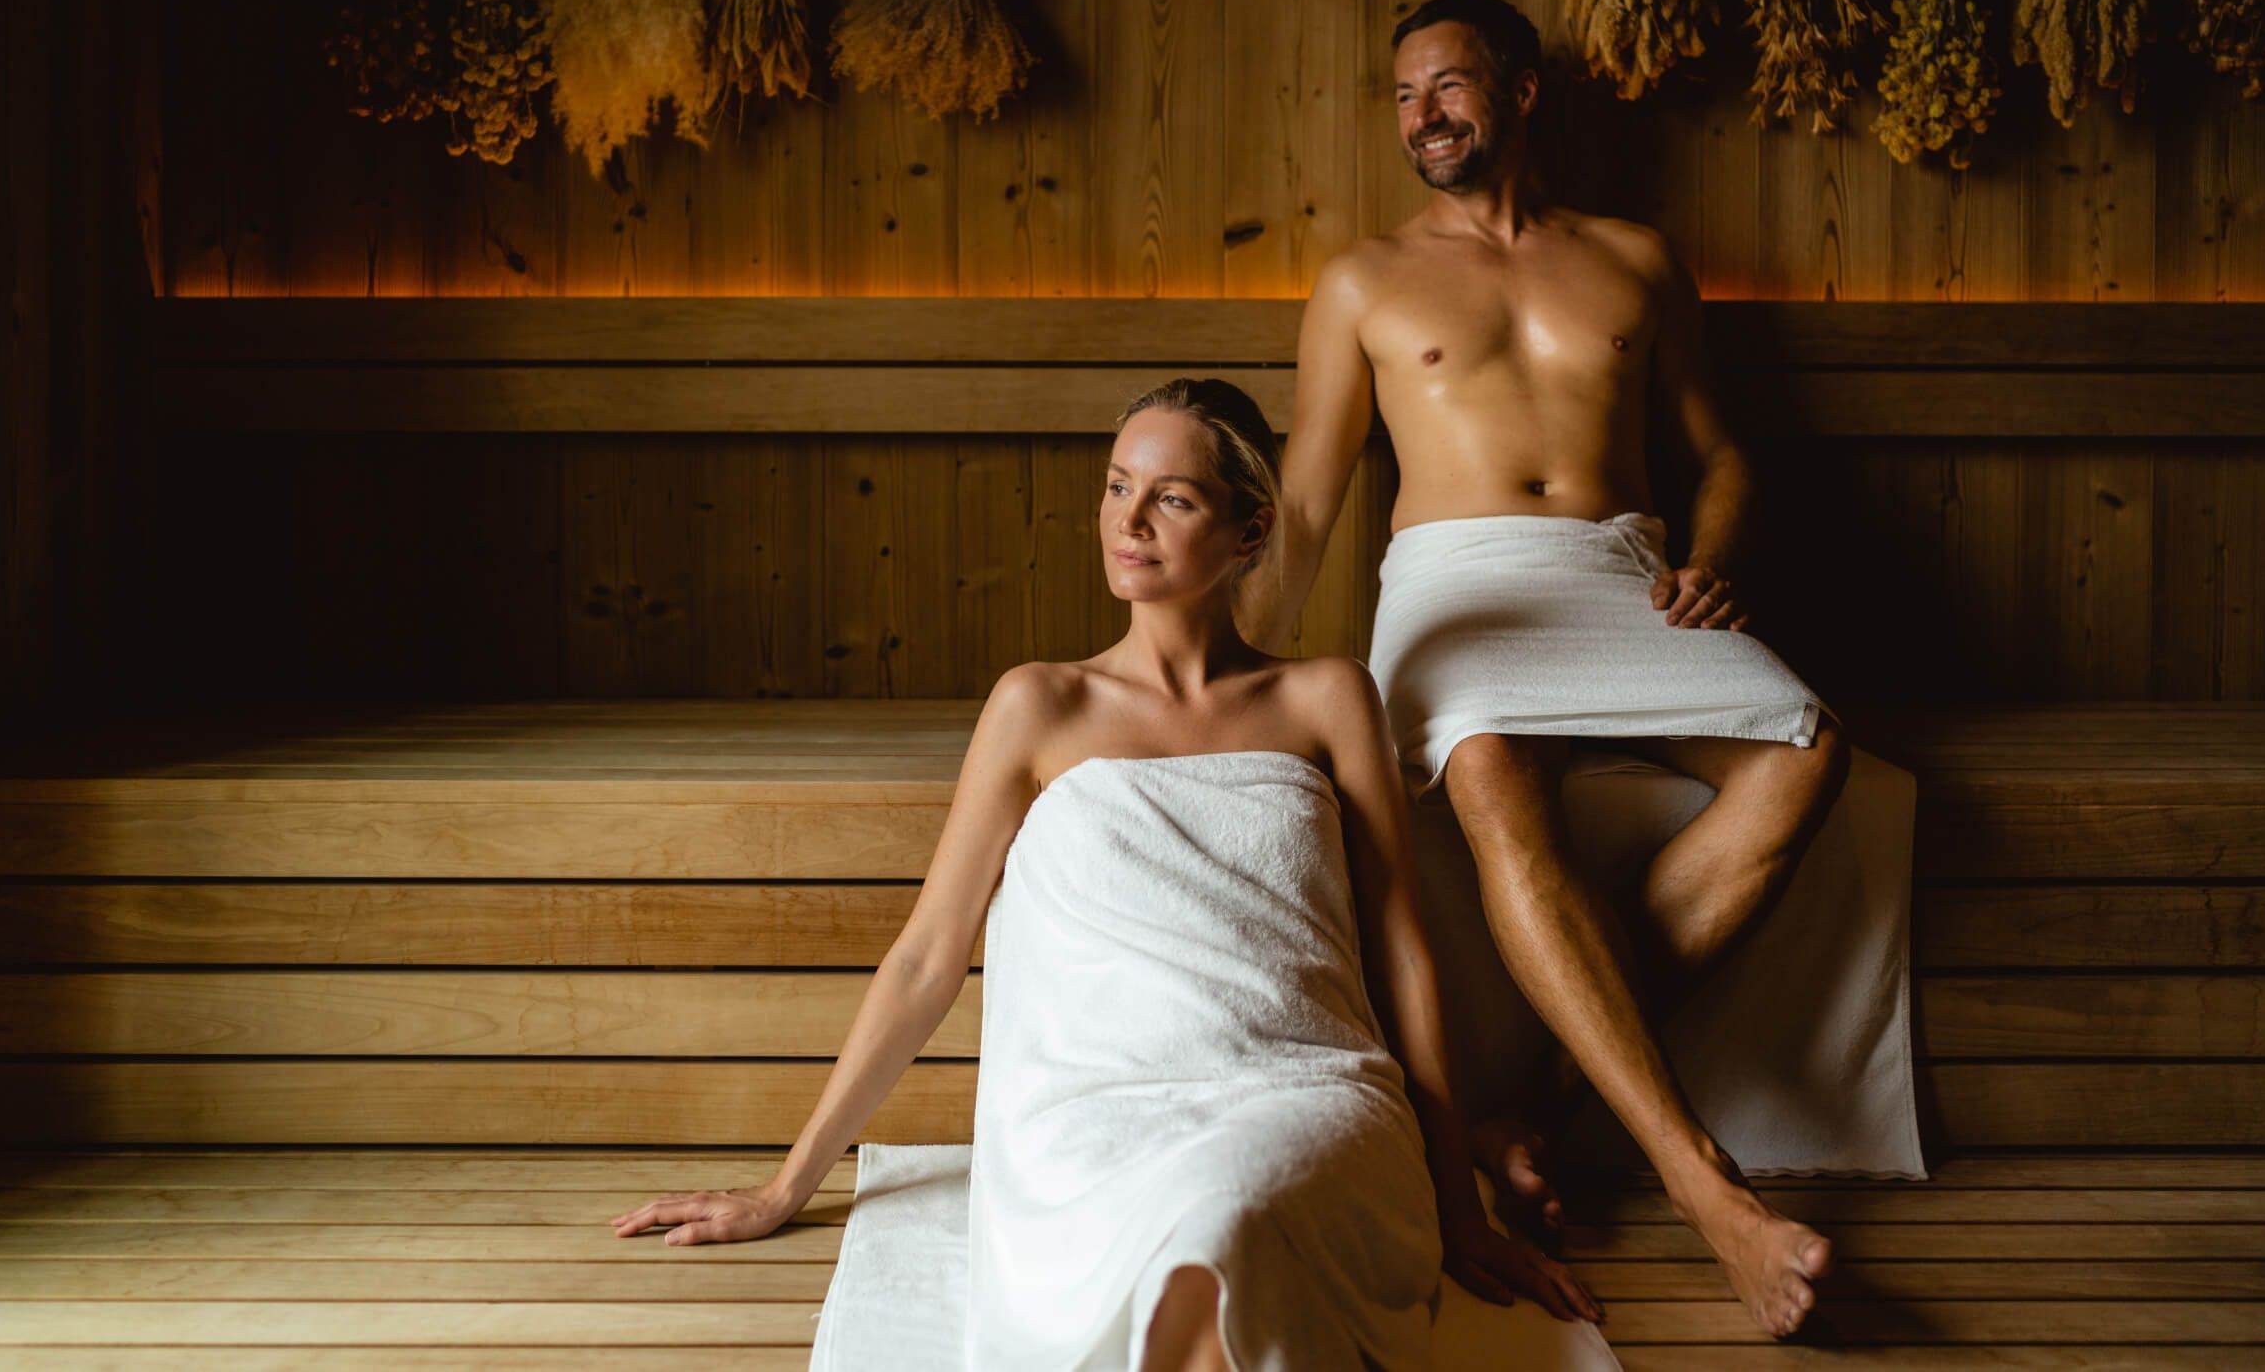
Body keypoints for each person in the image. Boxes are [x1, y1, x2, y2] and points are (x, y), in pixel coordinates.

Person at [610, 377, 1599, 1370]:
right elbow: (927, 956)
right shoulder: (1038, 705)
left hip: (1299, 1084)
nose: (1128, 520)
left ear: (1249, 530)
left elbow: (1400, 949)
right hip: (1092, 1106)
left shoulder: (1325, 697)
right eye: (1116, 485)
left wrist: (1457, 1207)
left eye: (1172, 497)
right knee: (1205, 1259)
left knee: (1230, 1216)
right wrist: (786, 1184)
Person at [1237, 0, 1845, 1340]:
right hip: (1459, 589)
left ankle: (1545, 1113)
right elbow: (1317, 497)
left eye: (1448, 87)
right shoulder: (1365, 281)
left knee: (1809, 750)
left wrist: (1712, 550)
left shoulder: (1635, 258)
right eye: (1402, 96)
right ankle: (1711, 1191)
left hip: (1624, 575)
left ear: (1520, 93)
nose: (1422, 117)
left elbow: (1726, 452)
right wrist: (1232, 668)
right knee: (1494, 770)